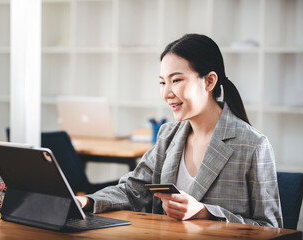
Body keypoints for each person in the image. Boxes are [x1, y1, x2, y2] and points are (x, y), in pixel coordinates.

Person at [76, 34, 283, 227]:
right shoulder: (168, 135)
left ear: (210, 81)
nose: (166, 93)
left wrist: (205, 212)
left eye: (176, 80)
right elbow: (132, 191)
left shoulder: (252, 145)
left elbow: (271, 228)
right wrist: (85, 201)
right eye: (162, 82)